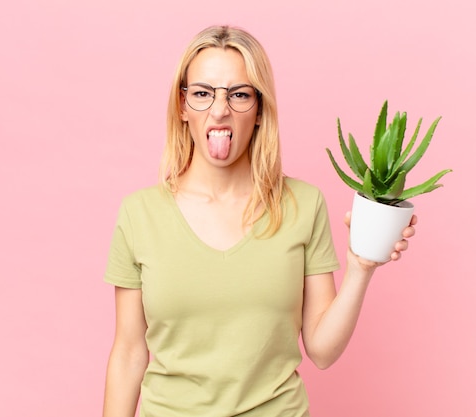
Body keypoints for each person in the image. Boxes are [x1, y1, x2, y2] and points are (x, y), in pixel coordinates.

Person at [102, 25, 416, 417]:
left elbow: (321, 351)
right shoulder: (139, 214)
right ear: (182, 107)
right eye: (202, 93)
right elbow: (129, 353)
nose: (220, 110)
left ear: (260, 109)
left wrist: (361, 268)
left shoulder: (303, 204)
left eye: (238, 94)